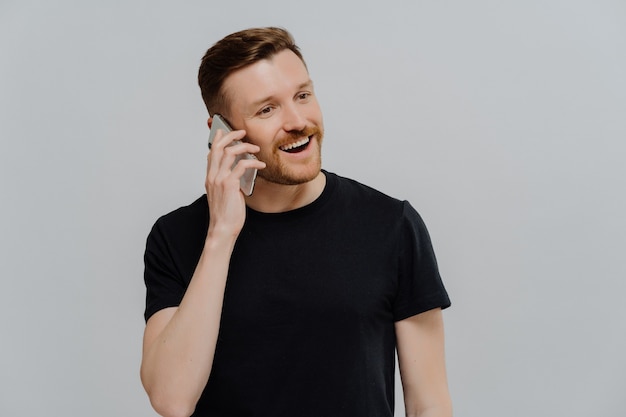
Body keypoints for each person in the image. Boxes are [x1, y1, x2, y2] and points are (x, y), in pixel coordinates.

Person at [140, 27, 452, 417]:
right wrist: (221, 234)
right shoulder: (176, 237)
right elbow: (171, 399)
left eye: (303, 95)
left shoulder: (391, 224)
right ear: (222, 134)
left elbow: (430, 404)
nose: (297, 121)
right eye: (266, 109)